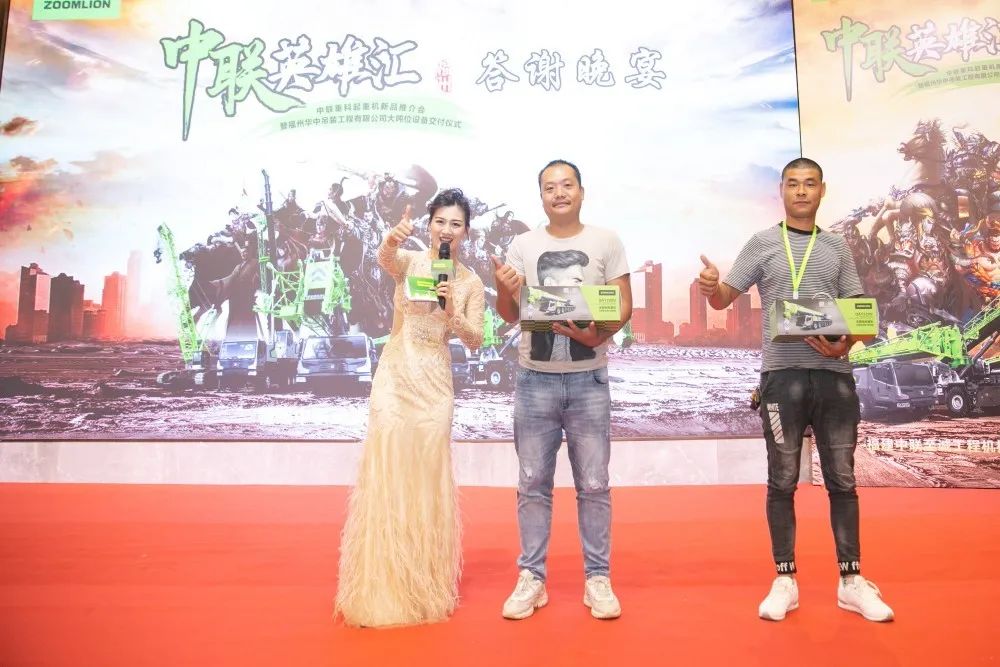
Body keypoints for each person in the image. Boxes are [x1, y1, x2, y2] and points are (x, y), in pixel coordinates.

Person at [697, 157, 894, 622]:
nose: (801, 191)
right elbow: (724, 298)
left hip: (834, 377)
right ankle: (785, 580)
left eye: (809, 184)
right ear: (781, 191)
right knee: (782, 481)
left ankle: (851, 581)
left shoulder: (837, 246)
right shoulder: (762, 243)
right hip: (781, 378)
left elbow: (858, 313)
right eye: (793, 184)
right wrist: (711, 287)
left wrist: (846, 342)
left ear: (822, 190)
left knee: (842, 480)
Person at [335, 188, 485, 627]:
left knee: (424, 478)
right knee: (388, 473)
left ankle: (422, 585)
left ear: (466, 232)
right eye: (440, 221)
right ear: (430, 224)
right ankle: (381, 588)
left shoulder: (471, 282)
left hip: (435, 384)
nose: (447, 230)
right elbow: (385, 259)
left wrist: (452, 310)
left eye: (456, 224)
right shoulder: (411, 261)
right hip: (395, 375)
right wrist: (392, 237)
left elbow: (475, 340)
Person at [492, 159, 632, 620]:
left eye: (566, 185)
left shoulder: (606, 241)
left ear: (581, 191)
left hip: (590, 380)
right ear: (541, 196)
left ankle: (598, 578)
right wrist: (503, 288)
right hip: (534, 380)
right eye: (550, 187)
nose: (559, 193)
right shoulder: (523, 245)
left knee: (594, 484)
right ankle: (531, 577)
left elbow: (622, 305)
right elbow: (510, 313)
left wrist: (597, 335)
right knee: (532, 483)